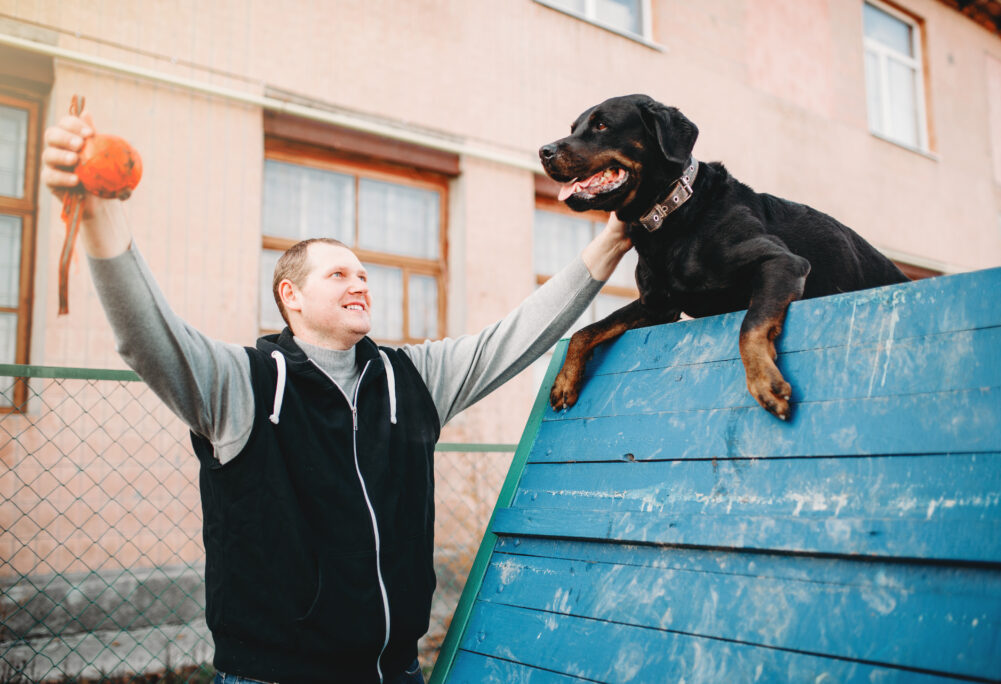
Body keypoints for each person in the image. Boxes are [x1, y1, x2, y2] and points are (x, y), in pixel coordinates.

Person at [42, 111, 632, 684]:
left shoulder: (411, 380)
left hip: (394, 670)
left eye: (363, 274)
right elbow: (148, 335)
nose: (360, 282)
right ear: (290, 296)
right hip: (274, 676)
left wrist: (612, 242)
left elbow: (518, 335)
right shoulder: (243, 385)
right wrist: (99, 213)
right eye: (338, 275)